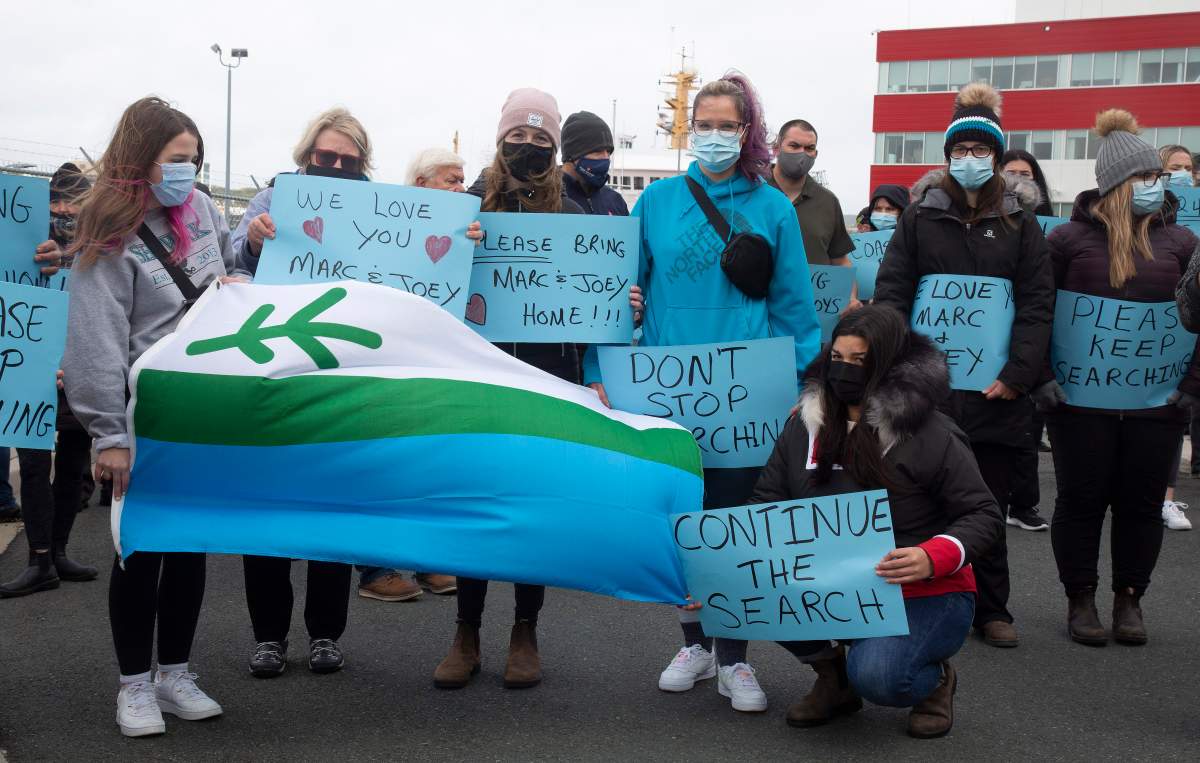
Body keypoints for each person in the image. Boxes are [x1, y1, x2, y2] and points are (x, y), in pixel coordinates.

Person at [584, 72, 822, 712]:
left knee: (735, 524)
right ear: (691, 129)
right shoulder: (656, 201)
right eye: (706, 124)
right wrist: (598, 368)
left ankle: (736, 659)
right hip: (665, 385)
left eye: (728, 125)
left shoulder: (772, 206)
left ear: (748, 132)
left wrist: (802, 385)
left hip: (746, 394)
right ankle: (694, 641)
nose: (715, 136)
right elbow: (615, 294)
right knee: (680, 520)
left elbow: (795, 305)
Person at [62, 96, 241, 737]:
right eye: (175, 159)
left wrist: (238, 280)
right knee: (139, 551)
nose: (186, 172)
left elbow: (231, 267)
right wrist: (109, 434)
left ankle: (175, 674)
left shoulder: (202, 210)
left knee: (188, 546)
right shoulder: (108, 227)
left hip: (203, 410)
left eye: (193, 160)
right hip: (144, 416)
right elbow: (95, 339)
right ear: (142, 159)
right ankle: (134, 686)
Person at [751, 305, 1002, 737]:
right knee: (754, 586)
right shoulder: (802, 427)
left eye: (859, 361)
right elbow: (767, 502)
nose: (844, 371)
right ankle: (834, 679)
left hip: (923, 591)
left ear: (888, 365)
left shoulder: (933, 433)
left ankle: (934, 682)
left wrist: (932, 556)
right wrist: (719, 576)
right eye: (837, 359)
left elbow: (982, 513)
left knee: (883, 677)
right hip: (831, 582)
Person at [873, 83, 1054, 649]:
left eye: (981, 151)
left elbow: (1037, 301)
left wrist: (1019, 374)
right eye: (960, 150)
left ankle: (991, 607)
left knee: (989, 502)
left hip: (997, 389)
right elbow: (893, 292)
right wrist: (900, 367)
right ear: (947, 155)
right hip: (927, 389)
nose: (970, 160)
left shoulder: (1022, 221)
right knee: (919, 493)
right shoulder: (920, 215)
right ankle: (922, 597)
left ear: (997, 158)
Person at [434, 87, 585, 692]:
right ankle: (465, 630)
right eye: (516, 138)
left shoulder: (573, 217)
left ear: (555, 146)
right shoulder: (463, 209)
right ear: (498, 141)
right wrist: (450, 252)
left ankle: (526, 629)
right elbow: (424, 280)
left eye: (540, 139)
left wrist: (621, 305)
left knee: (532, 508)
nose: (527, 148)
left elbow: (595, 301)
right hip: (474, 377)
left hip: (546, 379)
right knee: (474, 505)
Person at [231, 107, 382, 674]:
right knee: (267, 504)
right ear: (305, 156)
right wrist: (250, 242)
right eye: (326, 157)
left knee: (331, 505)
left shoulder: (387, 209)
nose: (337, 166)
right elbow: (229, 269)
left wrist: (456, 242)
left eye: (349, 160)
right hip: (275, 369)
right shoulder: (270, 201)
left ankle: (325, 633)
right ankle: (268, 634)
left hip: (343, 374)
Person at [1041, 110, 1199, 646]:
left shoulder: (1182, 244)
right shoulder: (1066, 240)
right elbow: (1039, 312)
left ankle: (1130, 598)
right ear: (1115, 185)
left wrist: (1191, 388)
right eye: (1144, 178)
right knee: (1081, 500)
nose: (1155, 186)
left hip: (1159, 405)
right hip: (1079, 404)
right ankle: (1080, 596)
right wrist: (1043, 378)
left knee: (1141, 501)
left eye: (1157, 177)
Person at [0, 164, 98, 598]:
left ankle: (58, 552)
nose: (62, 211)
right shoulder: (19, 248)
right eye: (55, 202)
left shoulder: (96, 250)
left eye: (71, 203)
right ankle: (38, 558)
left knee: (74, 464)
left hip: (79, 366)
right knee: (36, 467)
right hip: (32, 370)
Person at [996, 149, 1055, 532]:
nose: (1019, 179)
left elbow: (1041, 296)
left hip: (1028, 347)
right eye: (1012, 172)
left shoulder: (1045, 227)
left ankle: (1023, 503)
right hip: (986, 347)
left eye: (1026, 173)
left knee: (1026, 432)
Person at [765, 119, 857, 298]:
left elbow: (840, 260)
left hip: (813, 312)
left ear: (816, 153)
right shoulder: (752, 191)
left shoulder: (828, 202)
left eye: (809, 148)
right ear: (776, 148)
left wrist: (850, 296)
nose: (802, 153)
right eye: (794, 145)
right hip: (758, 311)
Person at [1158, 144, 1196, 531]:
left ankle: (1167, 499)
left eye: (1189, 167)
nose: (1184, 173)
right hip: (1151, 330)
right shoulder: (1158, 220)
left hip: (1181, 331)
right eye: (1175, 167)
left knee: (1173, 413)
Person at [560, 110, 629, 216]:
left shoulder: (615, 201)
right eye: (598, 151)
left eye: (609, 152)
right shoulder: (544, 199)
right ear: (572, 155)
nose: (606, 159)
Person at [1001, 149, 1055, 216]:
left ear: (1034, 177)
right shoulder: (989, 207)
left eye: (1025, 174)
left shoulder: (1044, 216)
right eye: (1011, 173)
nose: (1018, 178)